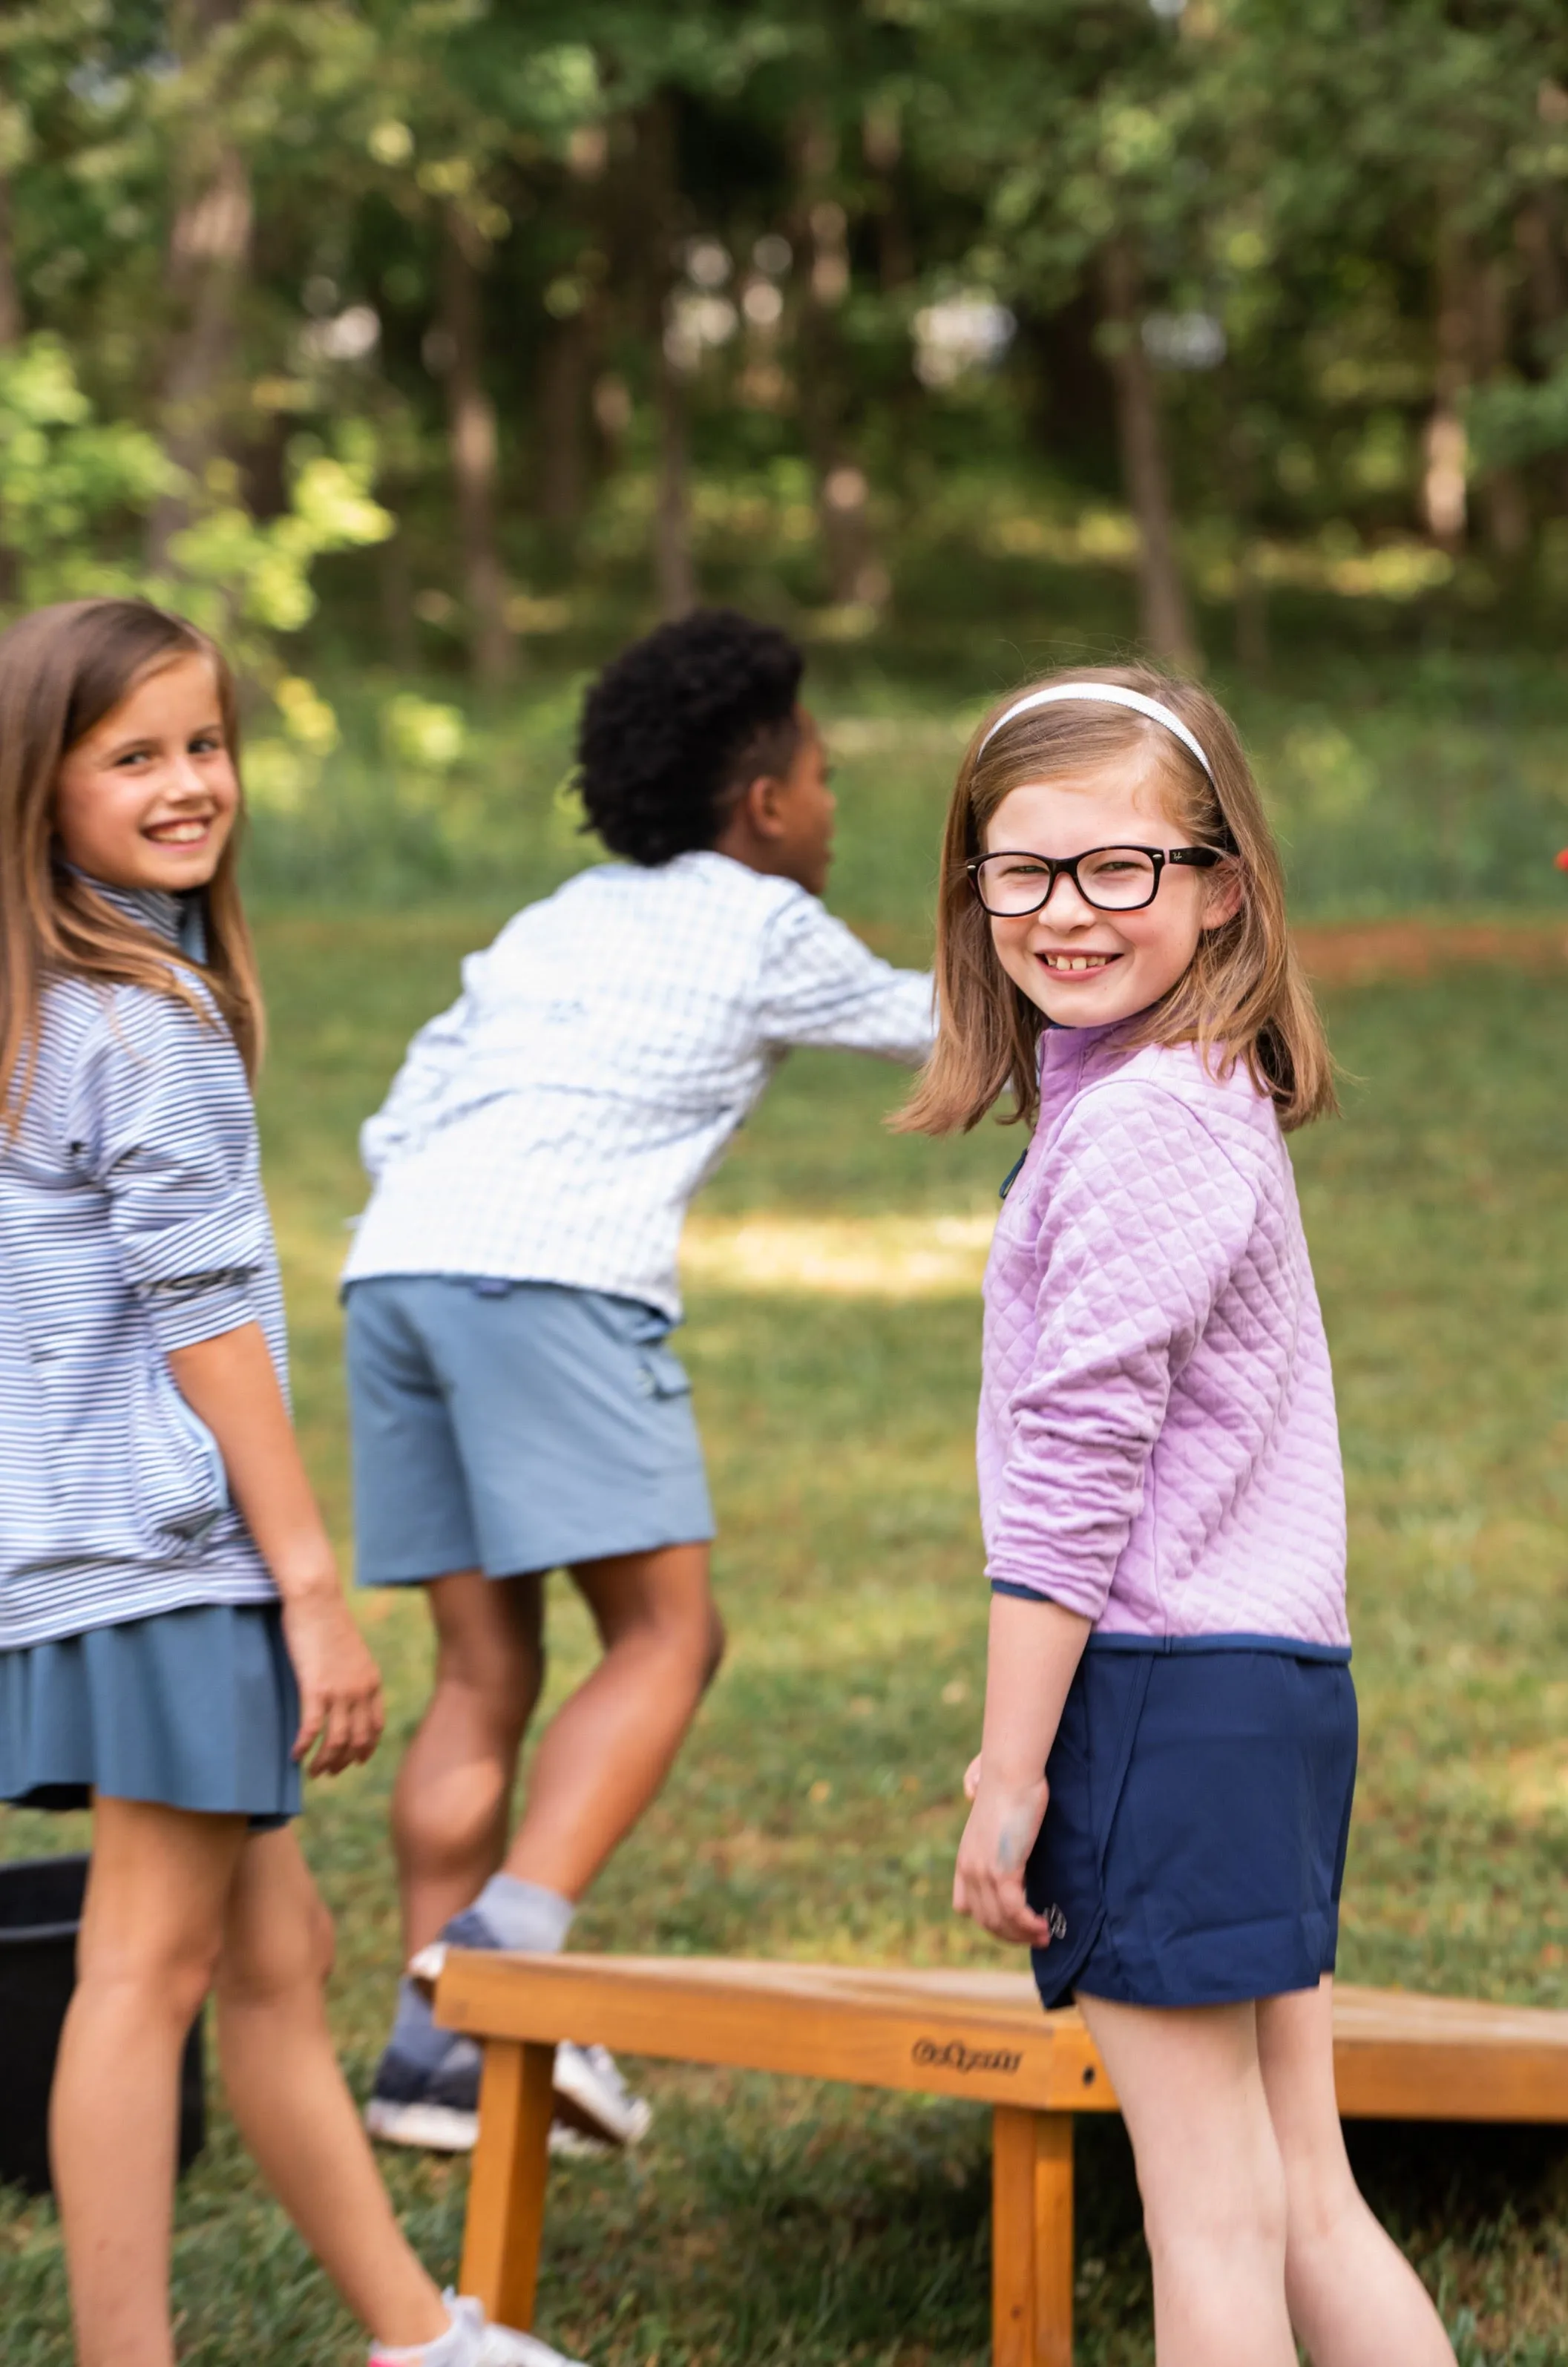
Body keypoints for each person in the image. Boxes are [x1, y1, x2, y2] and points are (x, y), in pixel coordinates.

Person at [0, 597, 577, 2367]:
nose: (189, 783)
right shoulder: (139, 1018)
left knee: (275, 1950)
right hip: (166, 1557)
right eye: (135, 756)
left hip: (77, 1552)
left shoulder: (41, 1003)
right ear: (42, 787)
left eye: (204, 742)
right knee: (145, 1968)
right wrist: (309, 1583)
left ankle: (421, 2333)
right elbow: (204, 1326)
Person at [902, 669, 1455, 2367]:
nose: (1066, 911)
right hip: (1261, 1683)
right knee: (1298, 2192)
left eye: (1119, 868)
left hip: (1162, 1687)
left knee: (1208, 2219)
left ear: (1220, 882)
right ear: (972, 888)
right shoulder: (1188, 1090)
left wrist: (1011, 1775)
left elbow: (1075, 1485)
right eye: (1023, 870)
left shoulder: (1147, 1124)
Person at [344, 608, 936, 2152]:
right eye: (820, 773)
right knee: (671, 1631)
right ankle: (499, 1961)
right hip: (553, 1277)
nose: (828, 801)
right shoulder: (762, 920)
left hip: (397, 1271)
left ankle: (431, 2063)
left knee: (482, 1671)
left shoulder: (555, 916)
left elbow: (403, 1108)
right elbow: (943, 1036)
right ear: (764, 807)